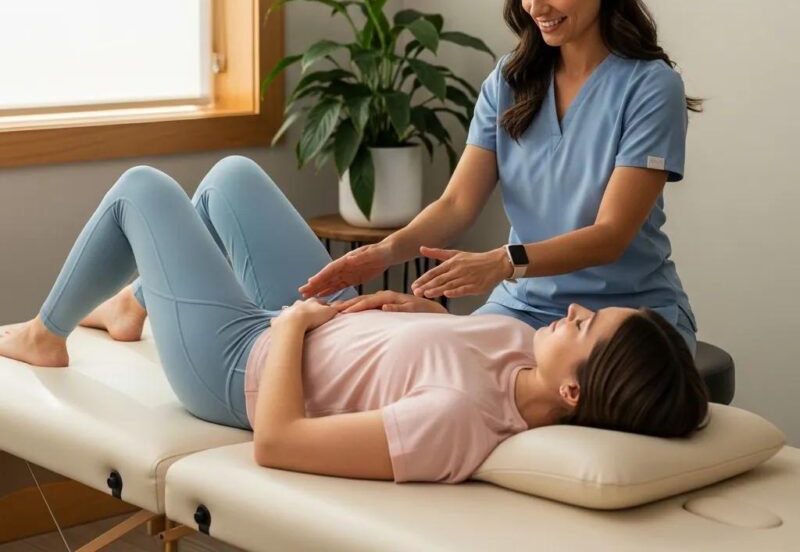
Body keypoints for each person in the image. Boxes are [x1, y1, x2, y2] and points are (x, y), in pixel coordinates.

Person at [0, 156, 708, 484]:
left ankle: (44, 335)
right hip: (320, 320)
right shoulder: (520, 342)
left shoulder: (458, 423)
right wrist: (405, 310)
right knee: (231, 180)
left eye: (585, 328)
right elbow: (433, 343)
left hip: (241, 364)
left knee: (143, 190)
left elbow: (279, 442)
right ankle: (131, 308)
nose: (574, 309)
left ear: (574, 395)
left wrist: (293, 330)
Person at [300, 0, 703, 357]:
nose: (536, 6)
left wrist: (504, 262)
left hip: (621, 319)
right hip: (522, 308)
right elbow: (456, 203)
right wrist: (386, 252)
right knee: (421, 360)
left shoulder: (651, 87)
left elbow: (611, 234)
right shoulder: (510, 80)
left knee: (533, 399)